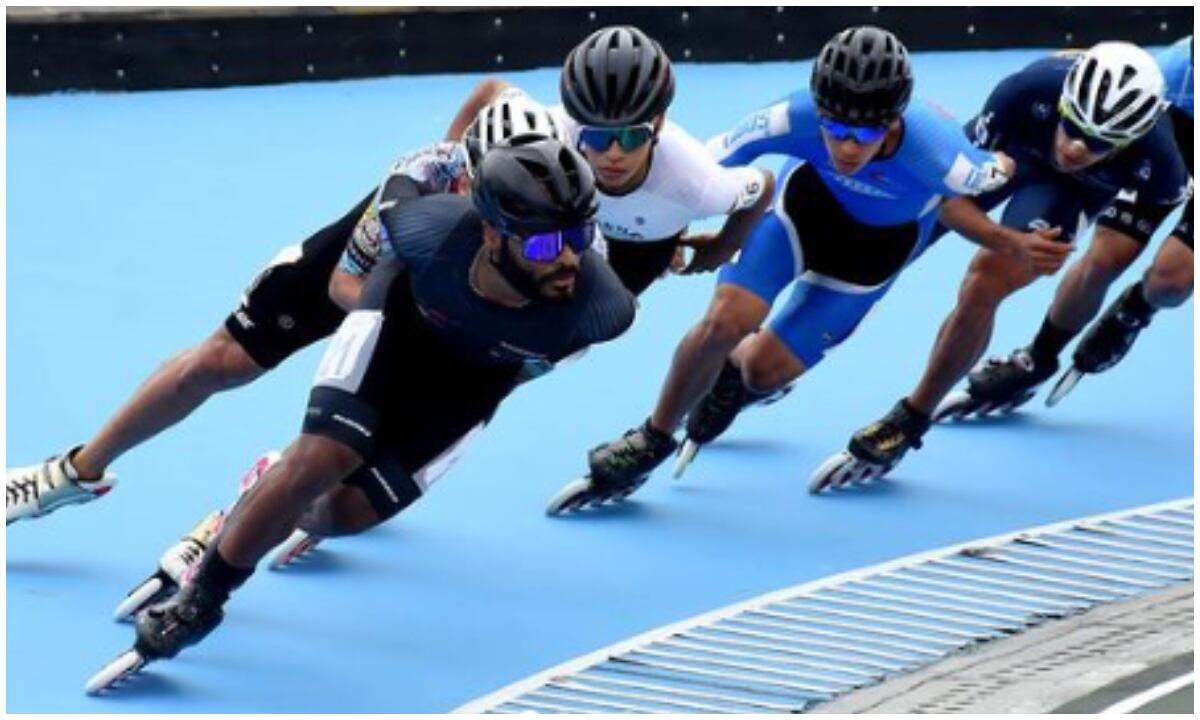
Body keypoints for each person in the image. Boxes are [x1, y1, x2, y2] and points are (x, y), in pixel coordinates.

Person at [95, 137, 636, 684]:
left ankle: (270, 486)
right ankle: (202, 600)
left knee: (338, 514)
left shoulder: (603, 310)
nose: (567, 257)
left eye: (579, 236)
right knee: (322, 459)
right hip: (396, 325)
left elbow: (525, 370)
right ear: (492, 234)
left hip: (472, 380)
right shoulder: (424, 228)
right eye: (545, 246)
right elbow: (402, 182)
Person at [547, 25, 1066, 512]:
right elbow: (705, 167)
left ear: (892, 124)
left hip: (871, 256)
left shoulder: (944, 156)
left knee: (759, 369)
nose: (844, 147)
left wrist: (1010, 223)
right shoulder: (793, 116)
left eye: (862, 137)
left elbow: (988, 179)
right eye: (834, 130)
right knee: (724, 322)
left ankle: (741, 380)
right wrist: (689, 232)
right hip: (801, 216)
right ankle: (653, 438)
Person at [5, 91, 563, 526]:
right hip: (360, 275)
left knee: (346, 451)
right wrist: (400, 326)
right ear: (463, 164)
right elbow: (347, 284)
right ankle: (73, 471)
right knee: (215, 364)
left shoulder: (561, 219)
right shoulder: (419, 178)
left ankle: (261, 501)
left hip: (447, 309)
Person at [814, 41, 1189, 492]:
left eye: (1094, 143)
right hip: (1035, 143)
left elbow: (1149, 211)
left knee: (1156, 277)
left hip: (1114, 174)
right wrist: (1005, 237)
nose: (1073, 148)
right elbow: (945, 199)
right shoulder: (1027, 90)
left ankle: (912, 419)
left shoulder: (1162, 168)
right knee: (900, 231)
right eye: (1072, 126)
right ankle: (785, 339)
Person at [1046, 36, 1193, 404]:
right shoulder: (1177, 68)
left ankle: (1134, 311)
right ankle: (1038, 355)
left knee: (1171, 283)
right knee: (1102, 259)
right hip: (1180, 126)